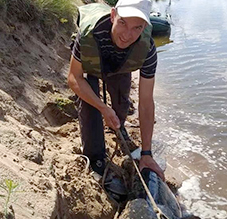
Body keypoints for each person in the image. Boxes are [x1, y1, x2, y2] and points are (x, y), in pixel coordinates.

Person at [67, 0, 164, 180]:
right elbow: (74, 78)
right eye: (123, 23)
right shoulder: (89, 34)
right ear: (113, 16)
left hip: (121, 65)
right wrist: (102, 107)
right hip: (90, 63)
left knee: (121, 102)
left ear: (144, 27)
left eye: (137, 28)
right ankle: (96, 159)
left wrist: (147, 153)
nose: (127, 35)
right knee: (91, 104)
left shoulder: (148, 49)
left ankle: (119, 125)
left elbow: (146, 103)